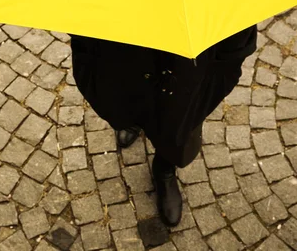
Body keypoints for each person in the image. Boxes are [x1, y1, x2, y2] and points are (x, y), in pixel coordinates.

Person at [70, 26, 257, 226]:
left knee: (182, 110)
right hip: (124, 29)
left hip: (193, 41)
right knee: (125, 85)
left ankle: (165, 165)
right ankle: (132, 120)